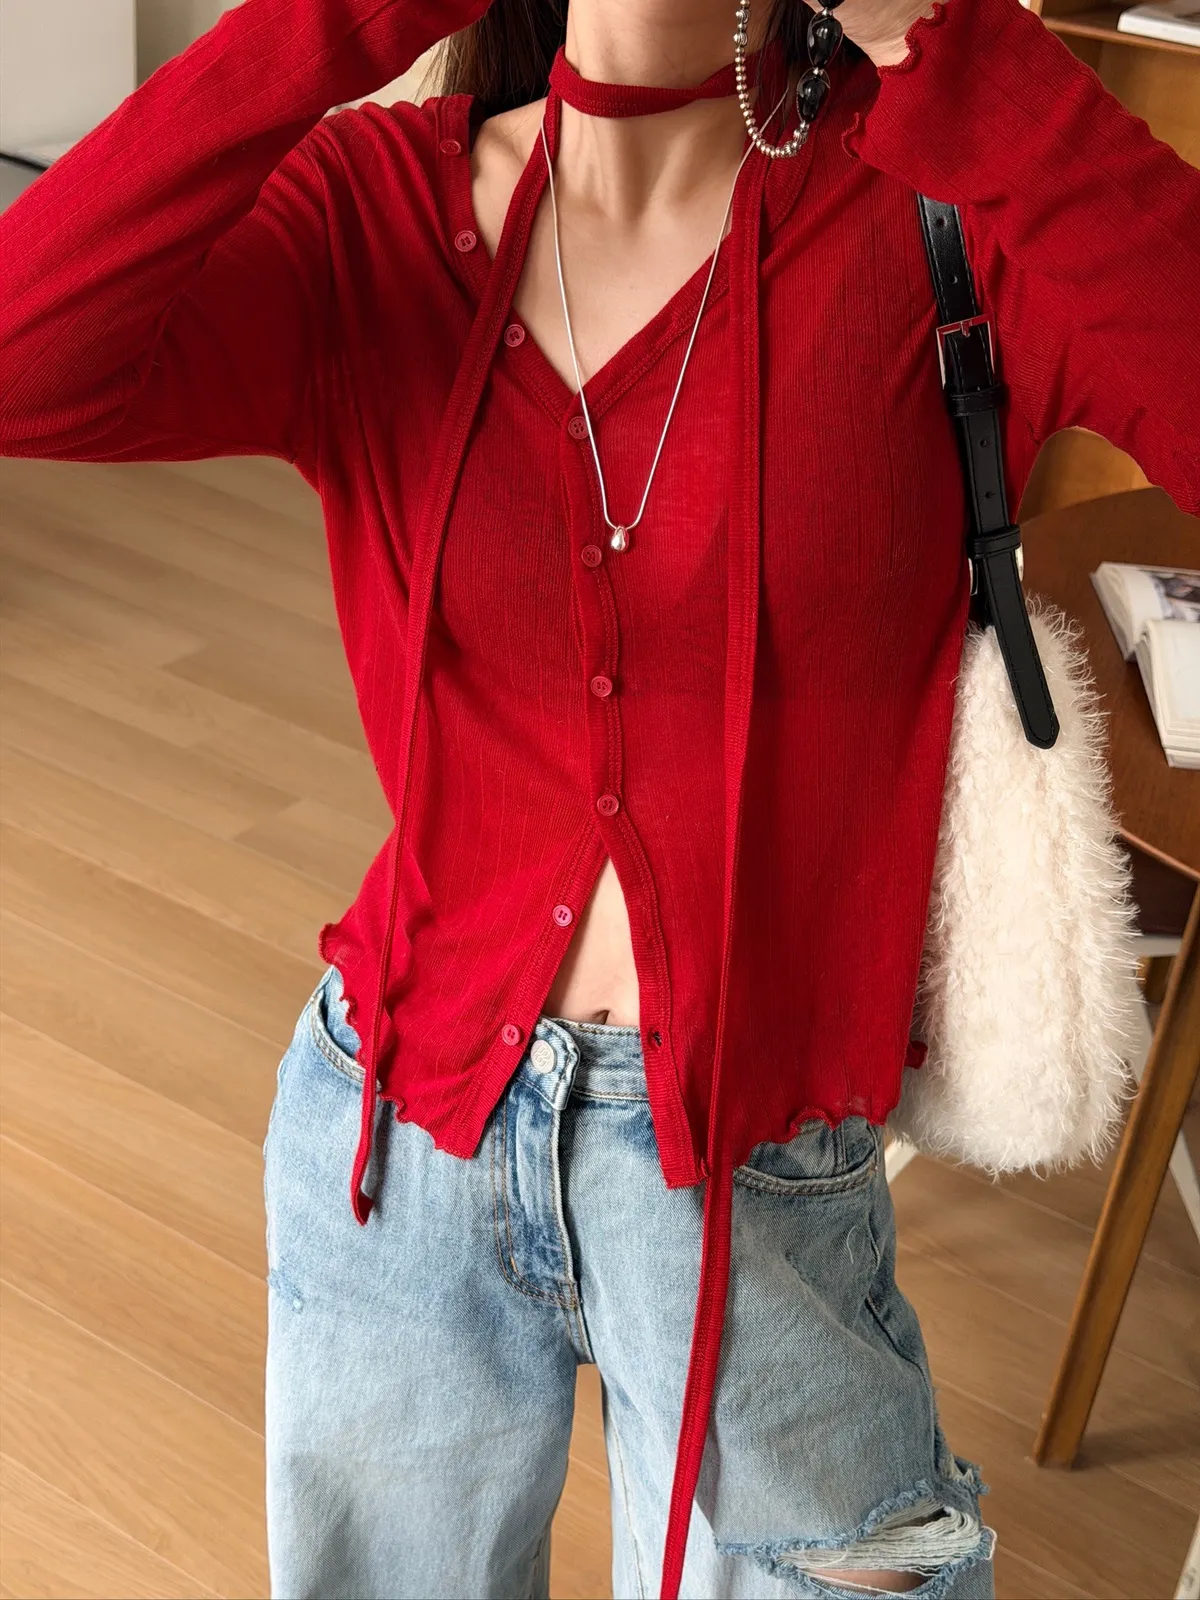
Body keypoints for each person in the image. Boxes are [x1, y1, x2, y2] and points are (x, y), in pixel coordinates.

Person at [2, 0, 1197, 1592]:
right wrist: (336, 22)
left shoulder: (940, 226)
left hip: (757, 1166)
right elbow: (24, 359)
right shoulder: (379, 215)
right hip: (399, 1121)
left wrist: (960, 52)